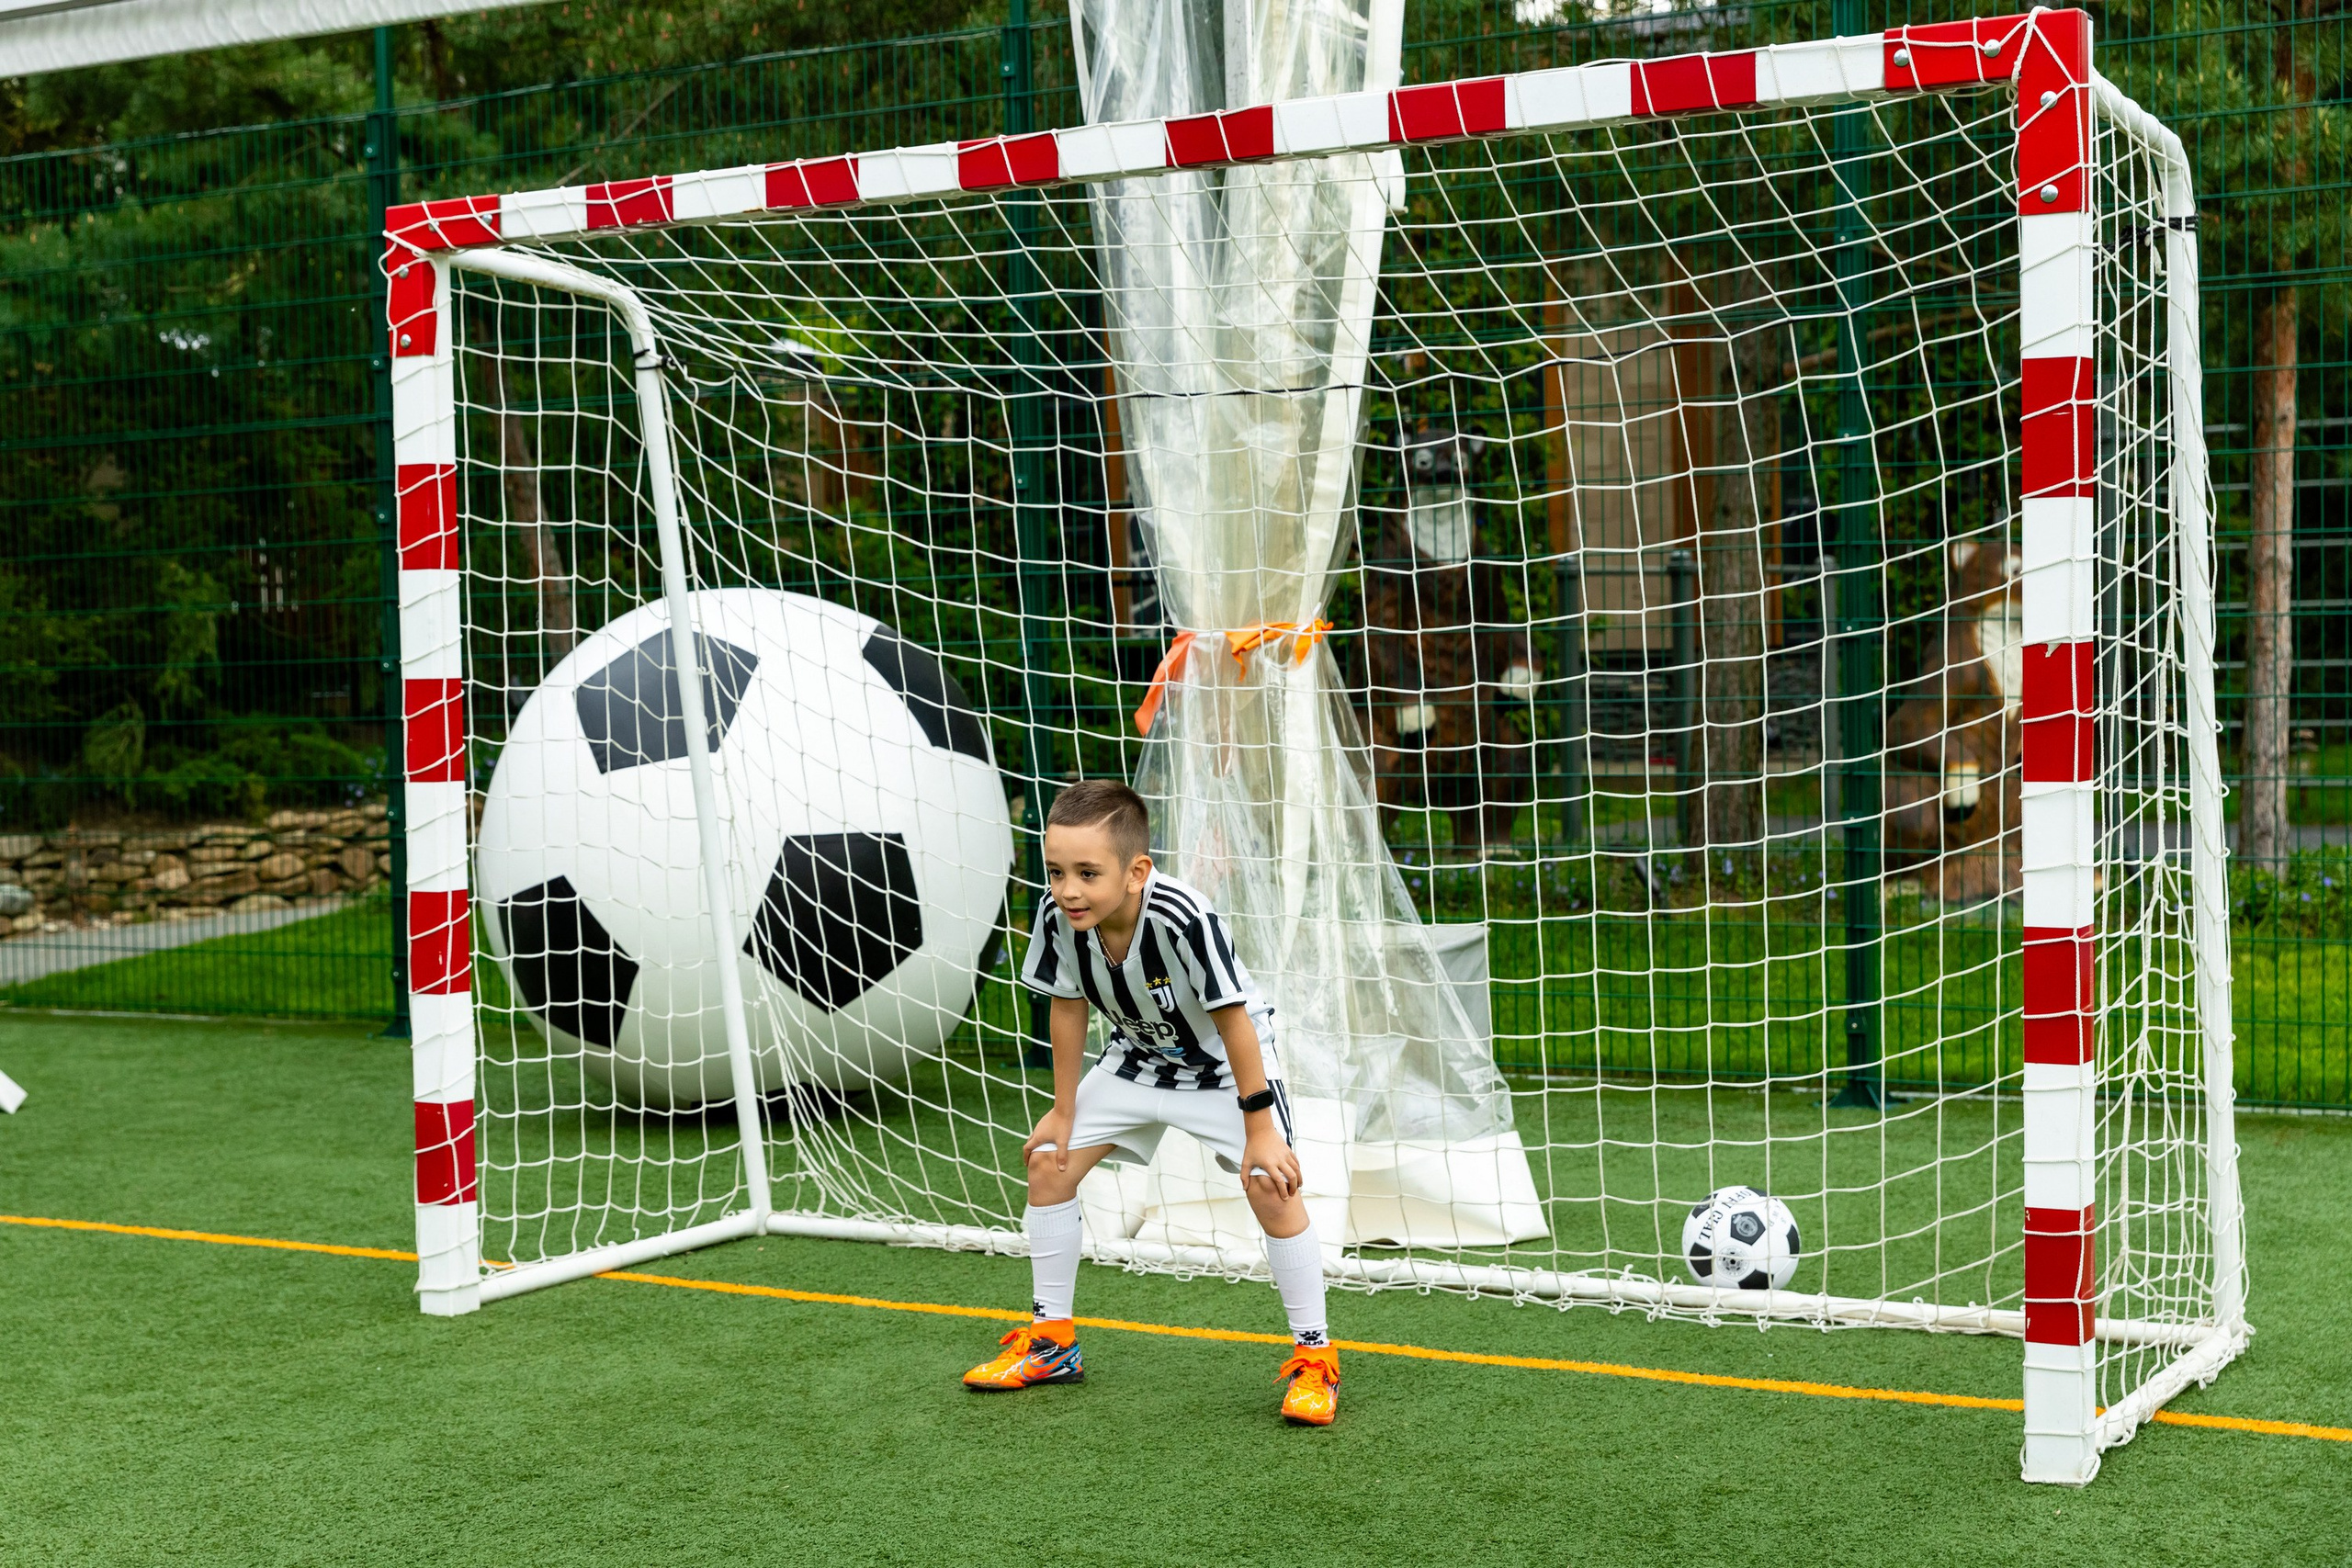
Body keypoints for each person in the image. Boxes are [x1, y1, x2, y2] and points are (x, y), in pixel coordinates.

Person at [961, 779, 1339, 1425]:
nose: (1068, 889)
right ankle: (1052, 1342)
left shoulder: (1181, 916)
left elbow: (1236, 1021)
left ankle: (1314, 1359)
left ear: (1137, 871)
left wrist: (1260, 1129)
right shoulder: (1060, 919)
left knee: (1269, 1184)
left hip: (1224, 1067)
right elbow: (1067, 1005)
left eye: (1087, 872)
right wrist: (1065, 1108)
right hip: (1137, 1060)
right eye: (1056, 871)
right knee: (1049, 1160)